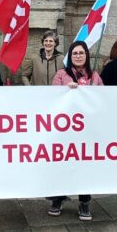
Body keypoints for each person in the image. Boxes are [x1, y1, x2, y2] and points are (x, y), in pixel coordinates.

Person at [47, 41, 103, 221]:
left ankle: (84, 202)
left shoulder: (94, 76)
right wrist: (66, 90)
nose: (78, 56)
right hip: (65, 130)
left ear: (86, 55)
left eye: (81, 53)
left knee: (85, 166)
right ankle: (57, 198)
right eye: (74, 53)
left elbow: (102, 98)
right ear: (70, 57)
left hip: (87, 130)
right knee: (61, 164)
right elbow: (53, 97)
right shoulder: (62, 74)